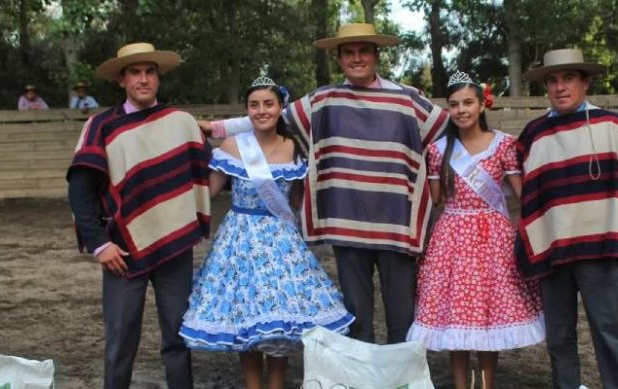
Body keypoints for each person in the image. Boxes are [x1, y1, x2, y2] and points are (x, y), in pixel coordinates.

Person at [202, 23, 449, 345]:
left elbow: (451, 128)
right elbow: (267, 117)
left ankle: (404, 379)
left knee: (402, 316)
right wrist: (212, 128)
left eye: (363, 51)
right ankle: (362, 379)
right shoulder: (323, 100)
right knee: (357, 318)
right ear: (339, 58)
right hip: (347, 223)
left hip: (396, 224)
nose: (356, 58)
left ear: (376, 55)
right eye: (349, 52)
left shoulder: (407, 100)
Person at [179, 76, 354, 389]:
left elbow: (299, 203)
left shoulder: (294, 148)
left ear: (280, 107)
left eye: (268, 104)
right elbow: (208, 192)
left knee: (279, 322)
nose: (261, 111)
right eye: (254, 105)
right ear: (247, 110)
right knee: (245, 320)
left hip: (281, 243)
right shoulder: (233, 146)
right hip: (239, 241)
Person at [66, 42, 210, 389]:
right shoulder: (102, 126)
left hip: (174, 247)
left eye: (150, 72)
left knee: (178, 338)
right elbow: (80, 191)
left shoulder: (181, 122)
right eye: (135, 72)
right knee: (120, 341)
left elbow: (208, 172)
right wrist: (100, 245)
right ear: (121, 79)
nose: (143, 79)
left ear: (158, 77)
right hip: (122, 251)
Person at [517, 48, 618, 389]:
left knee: (609, 332)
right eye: (552, 80)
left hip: (600, 250)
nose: (560, 87)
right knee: (559, 337)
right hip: (553, 254)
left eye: (568, 78)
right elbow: (525, 192)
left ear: (585, 82)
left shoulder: (612, 125)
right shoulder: (534, 134)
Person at [406, 71, 545, 389]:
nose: (461, 110)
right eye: (454, 105)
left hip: (492, 239)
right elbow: (437, 199)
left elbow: (523, 195)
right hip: (451, 237)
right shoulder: (439, 150)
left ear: (483, 104)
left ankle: (485, 385)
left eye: (468, 102)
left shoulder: (505, 145)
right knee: (456, 318)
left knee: (487, 318)